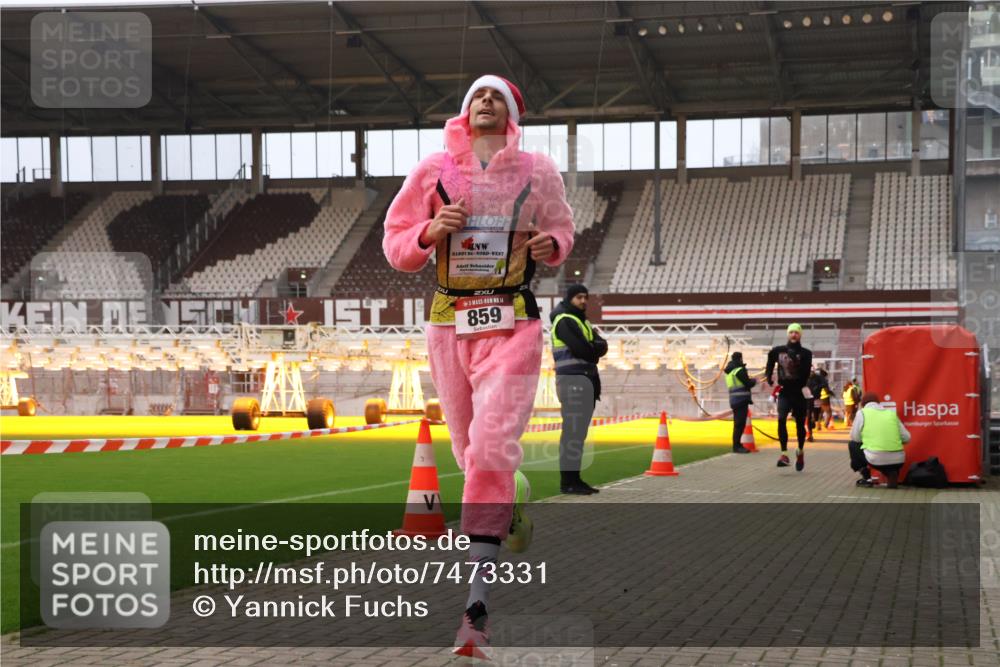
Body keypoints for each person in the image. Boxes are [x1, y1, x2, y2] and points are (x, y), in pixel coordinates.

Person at [382, 74, 575, 658]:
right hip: (448, 325)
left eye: (496, 96)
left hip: (513, 324)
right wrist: (427, 231)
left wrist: (552, 245)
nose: (484, 101)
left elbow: (563, 226)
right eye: (476, 96)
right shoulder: (432, 170)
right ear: (465, 112)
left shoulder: (538, 170)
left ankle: (475, 610)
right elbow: (394, 243)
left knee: (490, 446)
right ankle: (504, 495)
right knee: (471, 455)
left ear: (513, 111)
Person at [550, 283, 608, 493]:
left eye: (585, 297)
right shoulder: (565, 320)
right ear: (570, 299)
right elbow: (585, 349)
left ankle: (575, 480)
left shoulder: (581, 321)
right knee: (572, 434)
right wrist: (594, 349)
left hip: (584, 381)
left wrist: (594, 348)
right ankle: (568, 483)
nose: (583, 301)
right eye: (578, 297)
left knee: (578, 434)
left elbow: (602, 345)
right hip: (573, 382)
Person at [764, 323, 813, 471]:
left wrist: (794, 358)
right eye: (791, 332)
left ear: (800, 335)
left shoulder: (806, 353)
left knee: (799, 424)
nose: (793, 335)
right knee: (781, 419)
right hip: (785, 391)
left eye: (796, 332)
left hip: (799, 392)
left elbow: (805, 373)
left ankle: (800, 450)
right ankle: (784, 454)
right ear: (787, 334)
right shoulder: (778, 351)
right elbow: (770, 359)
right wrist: (769, 375)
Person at [849, 392, 911, 488]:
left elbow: (855, 437)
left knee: (852, 445)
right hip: (899, 460)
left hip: (876, 458)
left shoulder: (862, 413)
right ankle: (891, 473)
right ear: (879, 403)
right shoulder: (890, 413)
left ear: (863, 404)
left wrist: (867, 439)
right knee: (888, 461)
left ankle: (867, 478)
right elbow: (907, 438)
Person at [724, 351, 757, 454]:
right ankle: (737, 446)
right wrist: (754, 380)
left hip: (734, 400)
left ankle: (737, 445)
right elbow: (748, 383)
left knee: (738, 424)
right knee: (740, 424)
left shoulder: (730, 372)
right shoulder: (739, 370)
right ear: (740, 359)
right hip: (741, 400)